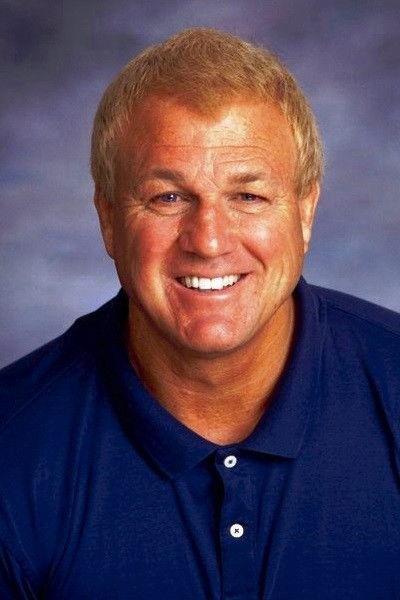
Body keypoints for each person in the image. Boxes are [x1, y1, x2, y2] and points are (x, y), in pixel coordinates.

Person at [0, 27, 399, 600]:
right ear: (108, 220)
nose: (209, 240)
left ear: (305, 211)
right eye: (168, 198)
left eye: (248, 196)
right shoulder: (14, 447)